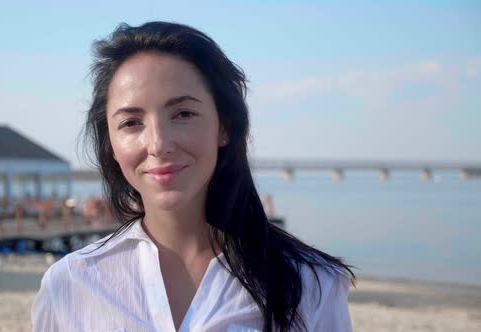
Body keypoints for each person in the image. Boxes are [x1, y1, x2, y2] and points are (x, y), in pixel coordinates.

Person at [32, 21, 354, 332]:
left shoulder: (311, 283)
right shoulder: (70, 285)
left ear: (224, 126)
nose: (158, 144)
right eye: (131, 123)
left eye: (183, 114)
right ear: (111, 146)